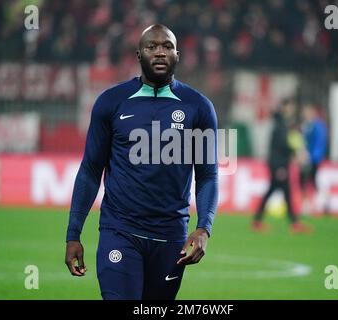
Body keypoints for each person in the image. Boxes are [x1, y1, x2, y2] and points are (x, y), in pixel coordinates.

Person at [64, 24, 219, 300]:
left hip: (171, 237)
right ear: (138, 55)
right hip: (120, 231)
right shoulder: (111, 102)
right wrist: (73, 233)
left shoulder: (199, 107)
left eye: (167, 47)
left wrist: (204, 228)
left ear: (177, 55)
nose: (160, 53)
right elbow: (90, 170)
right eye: (152, 47)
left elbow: (207, 175)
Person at [251, 104, 311, 233]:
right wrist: (291, 156)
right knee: (282, 193)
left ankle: (258, 220)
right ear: (285, 109)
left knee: (277, 192)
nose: (291, 111)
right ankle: (293, 223)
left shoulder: (279, 125)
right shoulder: (281, 127)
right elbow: (281, 148)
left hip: (278, 165)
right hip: (279, 166)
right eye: (289, 108)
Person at [300, 103, 328, 214]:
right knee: (306, 181)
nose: (305, 114)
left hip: (312, 159)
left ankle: (322, 201)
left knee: (308, 180)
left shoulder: (318, 126)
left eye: (307, 112)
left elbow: (320, 143)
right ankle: (311, 204)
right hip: (305, 158)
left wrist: (313, 157)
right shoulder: (306, 125)